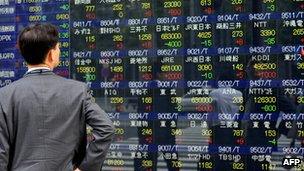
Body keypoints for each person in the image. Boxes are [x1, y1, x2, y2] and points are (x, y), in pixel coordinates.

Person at [0, 23, 115, 171]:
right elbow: (106, 128)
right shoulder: (78, 91)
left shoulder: (5, 95)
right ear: (51, 54)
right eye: (58, 47)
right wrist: (85, 168)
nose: (59, 51)